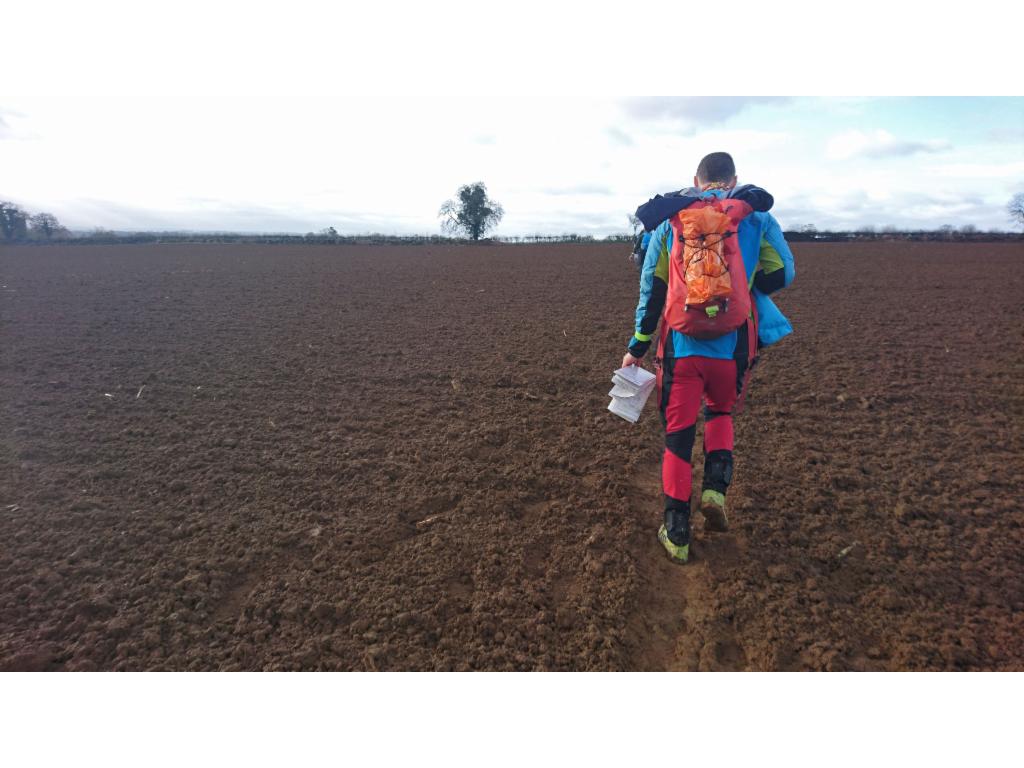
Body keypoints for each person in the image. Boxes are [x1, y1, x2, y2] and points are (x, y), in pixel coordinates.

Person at [622, 152, 795, 564]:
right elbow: (784, 273)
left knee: (678, 435)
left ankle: (677, 531)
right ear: (734, 179)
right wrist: (742, 283)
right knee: (720, 414)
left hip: (682, 349)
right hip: (733, 347)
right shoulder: (755, 219)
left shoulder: (673, 221)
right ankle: (716, 490)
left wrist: (637, 346)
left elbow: (653, 287)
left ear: (695, 182)